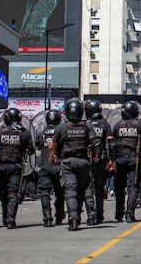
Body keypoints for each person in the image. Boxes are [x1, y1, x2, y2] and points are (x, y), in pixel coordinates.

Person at [51, 98, 97, 230]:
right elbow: (96, 144)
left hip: (67, 163)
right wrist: (94, 158)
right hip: (83, 162)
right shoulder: (87, 126)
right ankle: (87, 215)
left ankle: (73, 218)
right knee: (84, 190)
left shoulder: (62, 127)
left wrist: (51, 157)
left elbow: (53, 145)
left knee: (70, 191)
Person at [111, 100, 141, 223]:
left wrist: (112, 159)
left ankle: (119, 214)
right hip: (135, 159)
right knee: (133, 187)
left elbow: (112, 143)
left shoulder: (118, 125)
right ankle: (129, 213)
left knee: (119, 187)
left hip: (120, 158)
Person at [0, 107, 33, 229]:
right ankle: (11, 219)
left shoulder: (1, 131)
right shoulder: (24, 132)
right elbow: (31, 149)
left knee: (4, 193)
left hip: (1, 166)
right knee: (13, 193)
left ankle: (5, 218)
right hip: (15, 167)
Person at [36, 109, 65, 227]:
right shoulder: (61, 132)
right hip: (58, 164)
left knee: (44, 192)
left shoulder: (41, 132)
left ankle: (47, 218)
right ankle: (59, 215)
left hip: (45, 164)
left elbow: (37, 146)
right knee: (60, 192)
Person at [84, 99, 110, 225]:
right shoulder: (104, 124)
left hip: (88, 159)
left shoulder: (86, 124)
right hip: (101, 159)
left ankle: (91, 214)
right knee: (100, 188)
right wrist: (111, 160)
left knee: (88, 187)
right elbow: (111, 143)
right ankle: (99, 214)